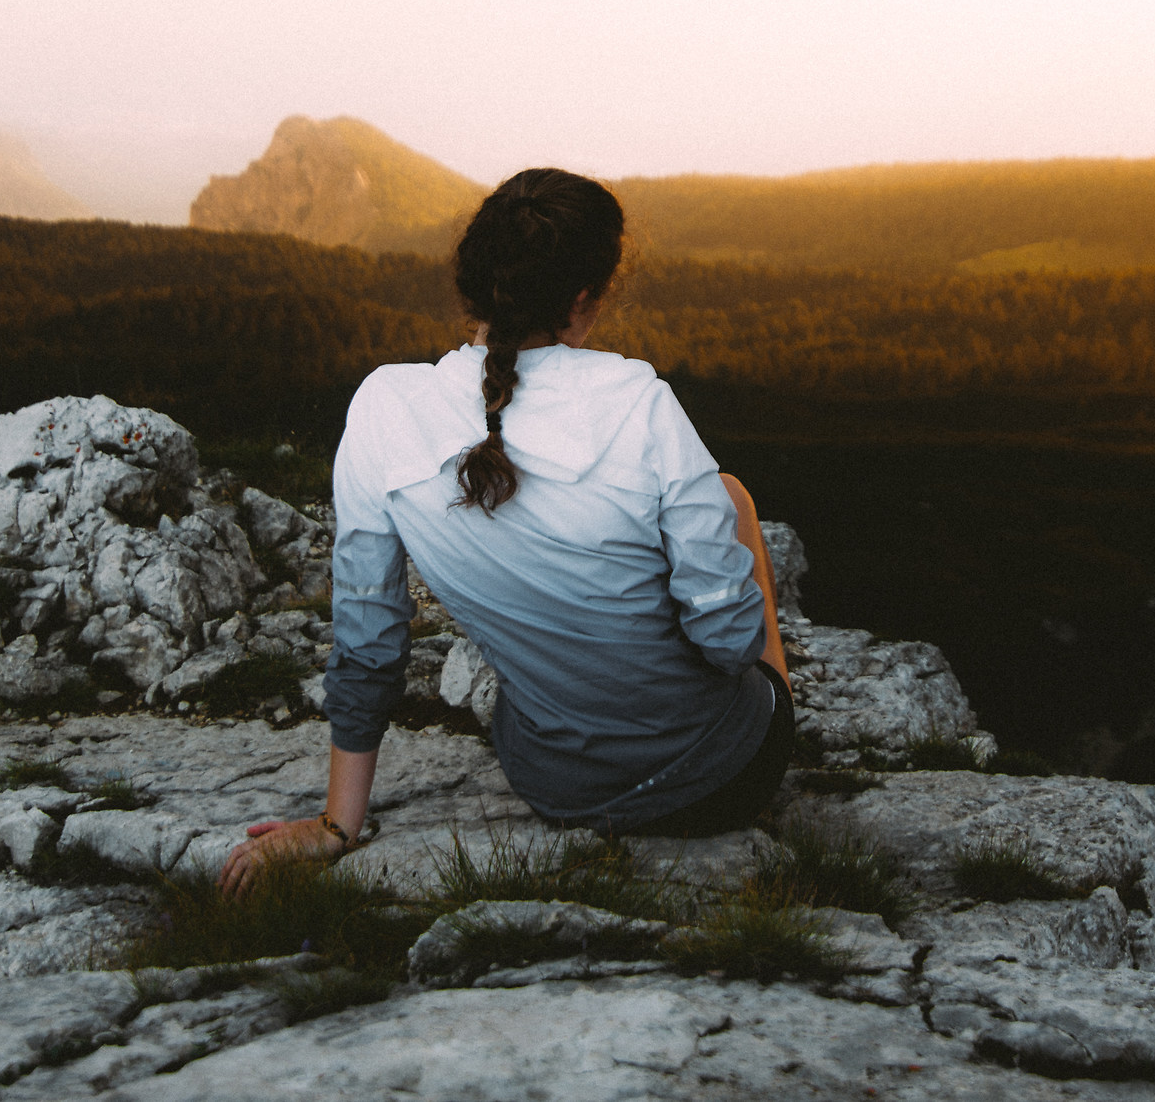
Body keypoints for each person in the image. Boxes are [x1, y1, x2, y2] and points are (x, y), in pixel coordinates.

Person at [218, 167, 790, 893]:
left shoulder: (381, 410)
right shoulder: (640, 405)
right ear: (583, 299)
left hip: (556, 787)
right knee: (731, 497)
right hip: (721, 784)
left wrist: (336, 825)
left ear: (475, 281)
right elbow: (729, 643)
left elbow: (367, 638)